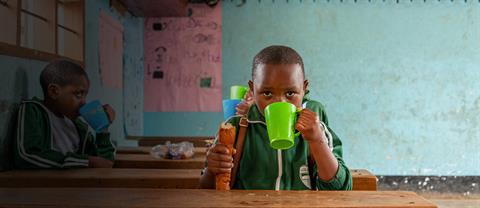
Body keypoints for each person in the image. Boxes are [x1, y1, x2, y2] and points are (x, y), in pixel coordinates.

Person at [200, 45, 352, 190]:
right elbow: (206, 190)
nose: (279, 102)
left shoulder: (316, 130)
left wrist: (317, 141)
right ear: (252, 89)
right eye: (267, 93)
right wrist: (212, 170)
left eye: (290, 93)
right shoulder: (235, 129)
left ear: (304, 89)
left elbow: (340, 189)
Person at [13, 60, 116, 169]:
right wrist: (85, 162)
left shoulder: (78, 126)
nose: (84, 102)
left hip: (76, 185)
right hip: (44, 185)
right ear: (53, 91)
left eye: (85, 95)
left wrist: (102, 129)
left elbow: (105, 163)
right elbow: (26, 155)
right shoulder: (33, 111)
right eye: (78, 94)